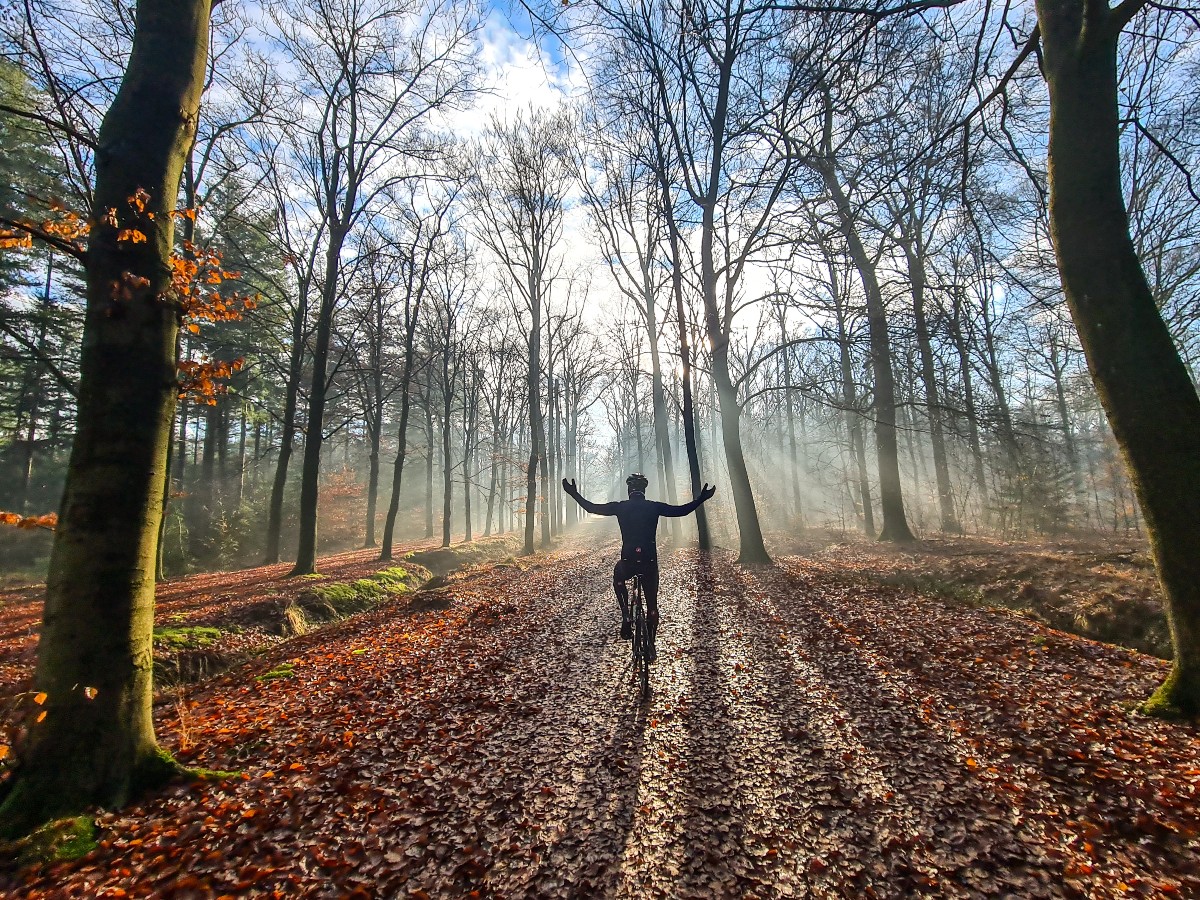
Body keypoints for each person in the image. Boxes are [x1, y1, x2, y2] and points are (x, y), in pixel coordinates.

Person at [562, 473, 716, 662]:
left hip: (628, 561)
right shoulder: (654, 506)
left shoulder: (620, 507)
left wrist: (573, 494)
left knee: (618, 576)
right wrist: (702, 498)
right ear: (644, 490)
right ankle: (651, 645)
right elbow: (681, 511)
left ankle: (626, 615)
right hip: (649, 561)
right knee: (652, 605)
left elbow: (592, 508)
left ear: (629, 490)